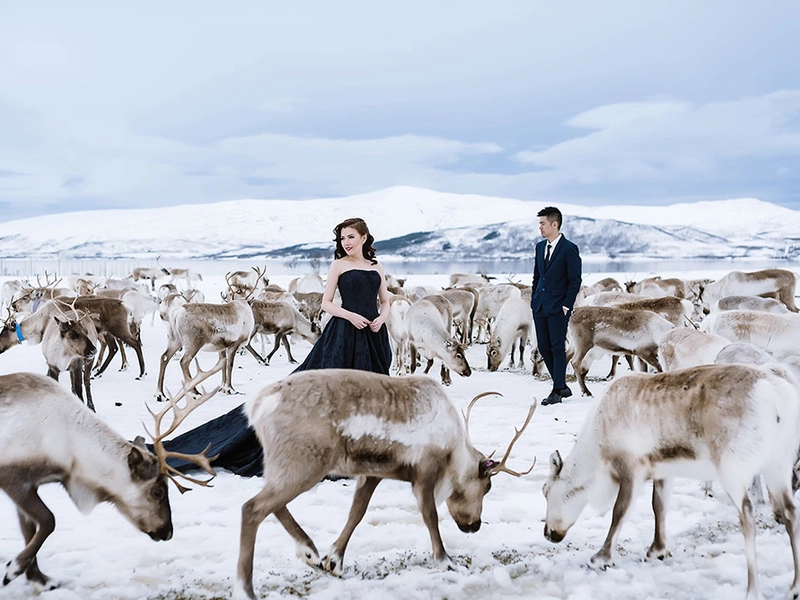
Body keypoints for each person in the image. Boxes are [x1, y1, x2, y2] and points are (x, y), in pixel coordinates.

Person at [159, 217, 393, 475]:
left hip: (373, 335)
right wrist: (350, 316)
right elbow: (327, 303)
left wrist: (381, 318)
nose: (346, 242)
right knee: (332, 392)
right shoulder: (338, 265)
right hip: (345, 335)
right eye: (342, 238)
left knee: (371, 392)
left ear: (363, 237)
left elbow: (384, 301)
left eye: (351, 236)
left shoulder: (376, 267)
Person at [530, 206, 582, 406]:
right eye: (539, 224)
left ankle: (556, 391)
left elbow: (574, 280)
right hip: (540, 306)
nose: (540, 228)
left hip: (559, 307)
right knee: (544, 347)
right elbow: (537, 277)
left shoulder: (569, 249)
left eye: (543, 224)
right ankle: (561, 385)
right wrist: (534, 299)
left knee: (557, 347)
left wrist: (567, 305)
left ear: (555, 224)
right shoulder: (540, 247)